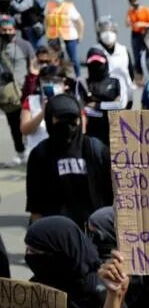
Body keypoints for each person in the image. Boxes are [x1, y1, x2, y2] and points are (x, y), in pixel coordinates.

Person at [25, 94, 113, 227]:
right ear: (49, 119)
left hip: (95, 235)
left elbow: (114, 195)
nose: (67, 125)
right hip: (56, 234)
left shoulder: (96, 150)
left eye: (72, 119)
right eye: (60, 118)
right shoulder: (40, 154)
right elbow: (35, 205)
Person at [0, 15, 34, 165]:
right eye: (4, 30)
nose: (7, 32)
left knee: (28, 123)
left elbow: (33, 64)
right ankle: (20, 153)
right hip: (7, 94)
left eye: (10, 29)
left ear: (15, 29)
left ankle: (30, 151)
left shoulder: (24, 45)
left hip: (25, 91)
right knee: (13, 125)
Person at [44, 0, 83, 75]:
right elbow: (46, 20)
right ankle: (61, 74)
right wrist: (47, 32)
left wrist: (80, 35)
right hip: (54, 36)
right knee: (56, 58)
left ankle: (78, 76)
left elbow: (80, 22)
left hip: (69, 36)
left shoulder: (69, 7)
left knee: (73, 58)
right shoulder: (49, 5)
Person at [125, 0, 149, 81]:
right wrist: (128, 16)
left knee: (148, 53)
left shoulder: (146, 10)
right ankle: (139, 77)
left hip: (145, 33)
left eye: (135, 1)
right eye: (132, 2)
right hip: (136, 34)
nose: (134, 4)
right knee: (136, 54)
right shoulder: (131, 11)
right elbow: (127, 24)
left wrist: (142, 23)